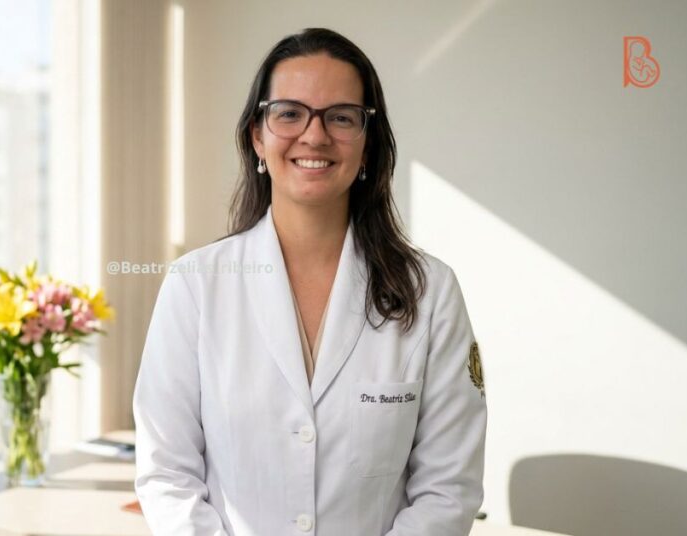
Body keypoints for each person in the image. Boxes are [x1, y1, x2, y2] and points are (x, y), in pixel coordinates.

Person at [133, 27, 487, 535]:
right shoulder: (196, 285)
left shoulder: (431, 291)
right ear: (257, 136)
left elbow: (448, 489)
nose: (314, 136)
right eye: (289, 113)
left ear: (367, 145)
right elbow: (166, 473)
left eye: (341, 117)